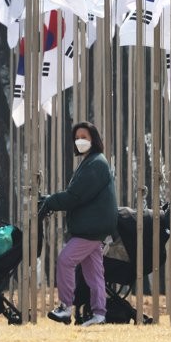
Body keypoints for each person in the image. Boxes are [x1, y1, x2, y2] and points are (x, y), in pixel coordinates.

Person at [39, 122, 118, 327]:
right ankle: (99, 314)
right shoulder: (92, 162)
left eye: (84, 136)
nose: (80, 140)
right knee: (94, 273)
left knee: (65, 260)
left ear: (94, 139)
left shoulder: (96, 164)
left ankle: (66, 307)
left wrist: (50, 201)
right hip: (94, 227)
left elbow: (76, 196)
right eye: (77, 137)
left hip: (91, 228)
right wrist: (52, 199)